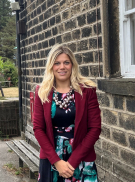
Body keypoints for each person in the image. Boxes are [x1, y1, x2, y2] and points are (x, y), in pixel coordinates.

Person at [33, 44, 101, 182]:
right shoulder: (42, 92)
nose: (62, 67)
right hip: (51, 158)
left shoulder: (87, 91)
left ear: (72, 65)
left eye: (66, 62)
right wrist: (56, 161)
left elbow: (95, 129)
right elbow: (38, 129)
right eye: (57, 63)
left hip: (81, 157)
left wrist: (73, 161)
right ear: (51, 66)